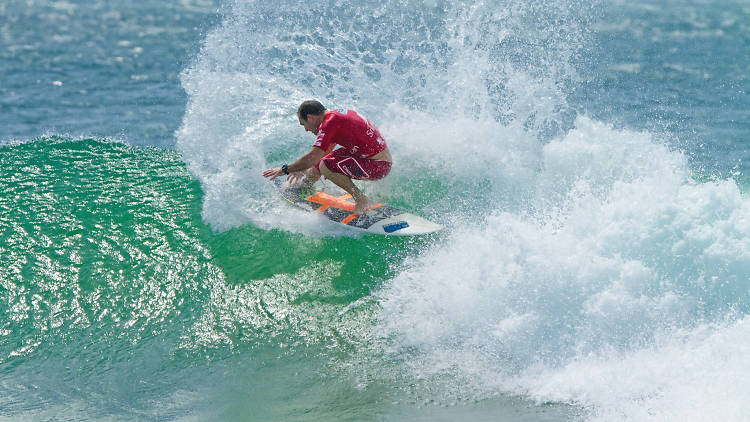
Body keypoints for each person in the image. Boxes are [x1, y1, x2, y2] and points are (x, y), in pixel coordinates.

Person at [263, 100, 392, 214]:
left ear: (310, 118)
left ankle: (361, 199)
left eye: (304, 125)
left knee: (326, 166)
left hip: (379, 166)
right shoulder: (335, 117)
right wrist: (301, 169)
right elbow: (323, 153)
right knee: (322, 163)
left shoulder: (330, 123)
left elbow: (312, 157)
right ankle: (304, 186)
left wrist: (285, 169)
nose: (306, 130)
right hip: (369, 158)